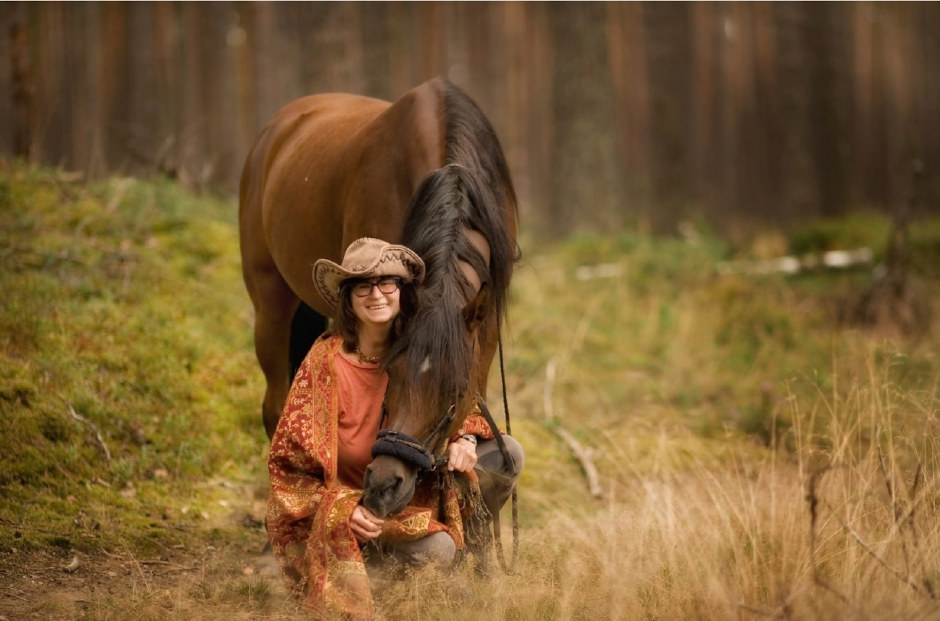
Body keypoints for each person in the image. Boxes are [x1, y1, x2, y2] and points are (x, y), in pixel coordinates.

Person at [266, 237, 524, 620]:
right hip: (355, 511)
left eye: (388, 283)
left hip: (409, 496)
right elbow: (288, 469)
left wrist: (464, 438)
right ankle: (377, 573)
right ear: (348, 298)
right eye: (362, 286)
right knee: (436, 552)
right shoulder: (325, 364)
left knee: (507, 451)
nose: (377, 294)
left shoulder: (417, 351)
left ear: (402, 292)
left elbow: (454, 403)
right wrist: (343, 509)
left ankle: (470, 551)